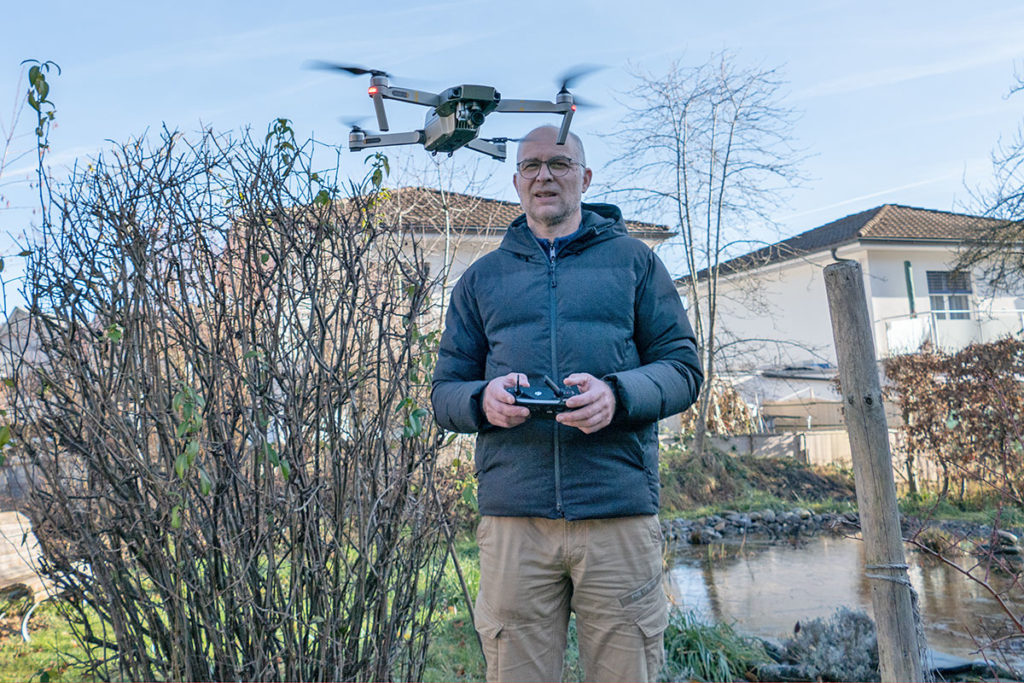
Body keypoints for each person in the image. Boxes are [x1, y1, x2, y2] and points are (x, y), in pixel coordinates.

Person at [431, 125, 703, 682]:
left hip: (616, 515)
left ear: (585, 176)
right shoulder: (481, 279)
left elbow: (682, 370)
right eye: (531, 166)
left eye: (558, 163)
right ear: (516, 181)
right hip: (515, 523)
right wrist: (483, 401)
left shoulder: (635, 262)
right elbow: (443, 393)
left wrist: (618, 395)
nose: (544, 176)